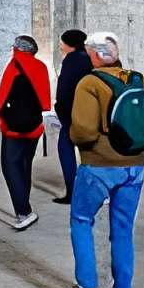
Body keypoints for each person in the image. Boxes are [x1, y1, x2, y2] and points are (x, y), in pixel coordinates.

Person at [62, 31, 144, 288]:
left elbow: (83, 131)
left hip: (98, 167)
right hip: (134, 168)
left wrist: (72, 136)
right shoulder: (139, 81)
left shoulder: (90, 83)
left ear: (94, 55)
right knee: (123, 229)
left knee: (81, 220)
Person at [0, 31, 52, 227]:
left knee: (10, 165)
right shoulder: (41, 67)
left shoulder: (14, 65)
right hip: (34, 127)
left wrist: (3, 119)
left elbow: (1, 99)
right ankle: (24, 204)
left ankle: (23, 211)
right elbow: (45, 102)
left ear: (17, 49)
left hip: (14, 129)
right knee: (25, 164)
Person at [51, 27, 89, 202]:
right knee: (87, 152)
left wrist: (59, 109)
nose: (60, 45)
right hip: (87, 113)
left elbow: (64, 88)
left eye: (62, 42)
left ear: (70, 44)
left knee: (65, 149)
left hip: (71, 114)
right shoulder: (88, 58)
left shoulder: (71, 60)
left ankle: (72, 192)